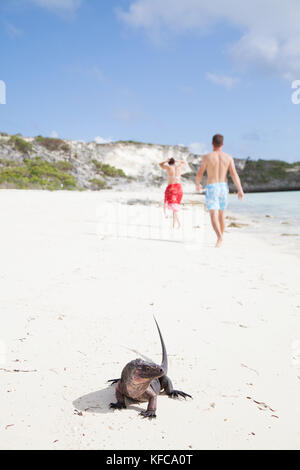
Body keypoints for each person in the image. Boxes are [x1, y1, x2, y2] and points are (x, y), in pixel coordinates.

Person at [195, 134, 244, 247]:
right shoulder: (228, 157)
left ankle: (219, 237)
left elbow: (200, 173)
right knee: (221, 214)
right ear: (222, 144)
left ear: (212, 143)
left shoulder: (207, 157)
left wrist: (197, 184)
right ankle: (220, 237)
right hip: (223, 187)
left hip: (212, 187)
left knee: (213, 214)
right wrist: (240, 189)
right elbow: (234, 174)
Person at [159, 158, 185, 228]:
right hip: (179, 188)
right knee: (175, 207)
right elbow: (184, 162)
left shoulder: (168, 167)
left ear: (169, 162)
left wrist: (165, 161)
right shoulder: (179, 167)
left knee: (174, 207)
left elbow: (160, 164)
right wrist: (177, 160)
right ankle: (176, 224)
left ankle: (176, 224)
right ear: (174, 162)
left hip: (172, 188)